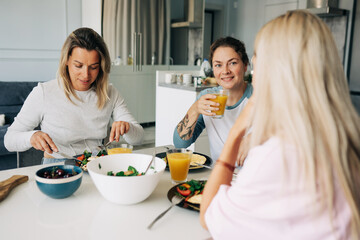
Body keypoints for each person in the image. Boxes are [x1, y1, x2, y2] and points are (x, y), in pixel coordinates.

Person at [199, 10, 360, 239]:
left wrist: (236, 132)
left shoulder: (279, 155)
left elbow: (209, 217)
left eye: (257, 58)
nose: (253, 68)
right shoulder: (344, 137)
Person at [4, 27, 144, 164]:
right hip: (58, 166)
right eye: (78, 66)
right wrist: (31, 137)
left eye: (93, 67)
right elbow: (9, 140)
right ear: (66, 61)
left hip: (96, 164)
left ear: (101, 66)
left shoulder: (110, 93)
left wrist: (127, 127)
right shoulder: (44, 92)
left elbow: (138, 138)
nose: (86, 75)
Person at [173, 37, 253, 161]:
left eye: (233, 63)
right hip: (219, 175)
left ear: (245, 65)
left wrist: (254, 137)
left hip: (255, 176)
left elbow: (287, 133)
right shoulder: (207, 98)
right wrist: (194, 109)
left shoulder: (260, 95)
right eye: (218, 65)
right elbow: (180, 144)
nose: (225, 71)